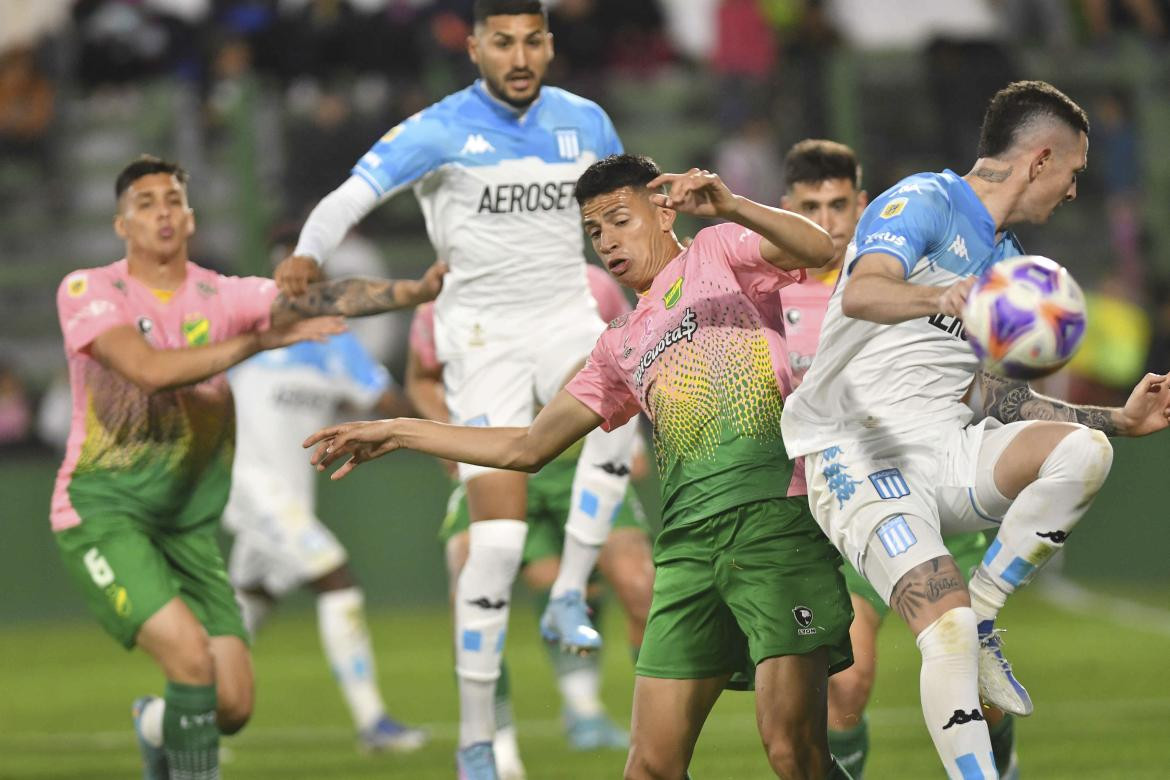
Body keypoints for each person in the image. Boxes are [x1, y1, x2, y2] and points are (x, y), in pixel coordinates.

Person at [306, 155, 858, 780]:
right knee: (648, 767)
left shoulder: (719, 252)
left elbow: (820, 246)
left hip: (772, 528)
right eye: (596, 232)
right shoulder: (618, 342)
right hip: (685, 553)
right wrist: (403, 430)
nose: (609, 242)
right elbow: (528, 447)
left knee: (793, 752)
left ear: (664, 210)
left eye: (620, 221)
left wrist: (731, 204)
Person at [273, 1, 640, 765]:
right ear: (473, 47)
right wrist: (309, 253)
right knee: (498, 546)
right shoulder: (436, 129)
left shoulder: (586, 122)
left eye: (531, 41)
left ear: (549, 44)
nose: (518, 56)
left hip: (565, 317)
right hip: (480, 342)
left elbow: (630, 210)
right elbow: (354, 193)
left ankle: (571, 587)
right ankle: (478, 740)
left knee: (627, 377)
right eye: (501, 42)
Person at [780, 81, 1170, 779]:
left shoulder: (1006, 259)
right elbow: (865, 289)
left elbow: (974, 387)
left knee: (1086, 452)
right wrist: (939, 294)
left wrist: (1118, 417)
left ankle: (989, 611)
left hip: (946, 447)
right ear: (1040, 159)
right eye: (1074, 173)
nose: (1074, 191)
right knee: (944, 630)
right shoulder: (923, 199)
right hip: (858, 453)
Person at [51, 155, 443, 780]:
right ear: (122, 224)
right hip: (107, 510)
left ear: (191, 217)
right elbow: (149, 371)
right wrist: (254, 342)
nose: (162, 211)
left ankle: (155, 722)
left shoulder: (224, 294)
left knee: (229, 704)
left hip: (188, 518)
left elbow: (323, 297)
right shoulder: (88, 290)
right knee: (192, 659)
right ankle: (367, 721)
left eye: (173, 199)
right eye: (145, 202)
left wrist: (412, 292)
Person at [778, 138, 1018, 779]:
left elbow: (972, 378)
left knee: (978, 686)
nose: (825, 221)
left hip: (931, 485)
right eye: (808, 207)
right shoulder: (771, 298)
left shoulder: (912, 265)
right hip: (850, 496)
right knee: (848, 688)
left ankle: (1003, 764)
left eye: (837, 205)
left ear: (863, 206)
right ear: (786, 208)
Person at [404, 264, 656, 777]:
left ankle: (654, 744)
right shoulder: (443, 297)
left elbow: (630, 357)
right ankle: (495, 747)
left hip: (576, 458)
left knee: (639, 585)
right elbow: (420, 377)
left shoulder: (592, 286)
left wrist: (628, 436)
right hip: (496, 458)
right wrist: (450, 437)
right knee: (470, 585)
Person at [223, 281, 425, 753]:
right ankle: (372, 722)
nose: (294, 292)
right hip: (252, 489)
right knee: (336, 578)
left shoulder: (336, 343)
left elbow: (389, 405)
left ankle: (193, 713)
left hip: (292, 498)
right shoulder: (241, 337)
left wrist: (442, 419)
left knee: (253, 598)